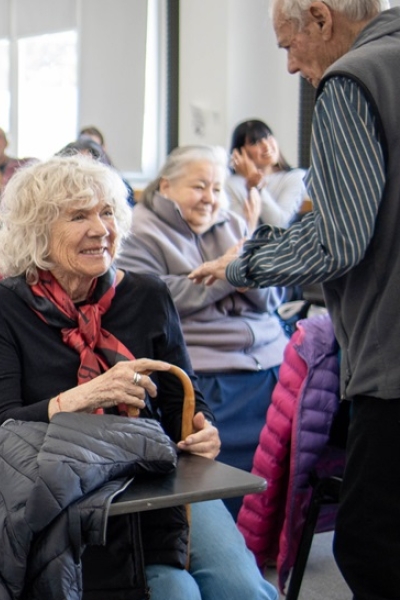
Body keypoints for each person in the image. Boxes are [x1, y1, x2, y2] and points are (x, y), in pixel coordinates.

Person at [0, 154, 276, 599]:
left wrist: (201, 427)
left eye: (108, 212)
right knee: (174, 591)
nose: (101, 229)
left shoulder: (148, 293)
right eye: (79, 216)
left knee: (243, 588)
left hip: (156, 471)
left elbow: (181, 399)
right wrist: (81, 397)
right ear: (37, 231)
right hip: (66, 490)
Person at [189, 2, 399, 597]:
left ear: (321, 16)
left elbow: (337, 238)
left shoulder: (356, 78)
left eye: (287, 45)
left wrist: (244, 261)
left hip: (393, 362)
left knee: (370, 546)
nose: (286, 66)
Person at [116, 146, 287, 502]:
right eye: (198, 186)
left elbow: (274, 297)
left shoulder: (236, 223)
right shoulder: (137, 232)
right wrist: (230, 274)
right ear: (165, 186)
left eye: (217, 188)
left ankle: (265, 547)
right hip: (207, 372)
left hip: (270, 363)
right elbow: (159, 299)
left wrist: (239, 275)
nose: (210, 198)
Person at [226, 119, 309, 227]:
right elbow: (238, 230)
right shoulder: (231, 183)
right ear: (240, 152)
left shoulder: (295, 177)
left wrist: (257, 186)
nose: (266, 146)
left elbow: (278, 224)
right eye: (255, 142)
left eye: (267, 137)